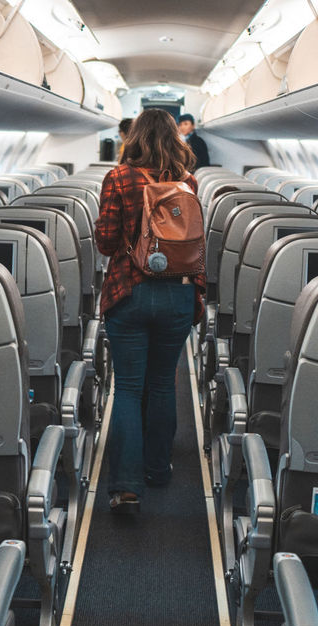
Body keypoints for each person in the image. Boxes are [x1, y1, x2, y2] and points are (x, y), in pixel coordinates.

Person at [95, 108, 204, 514]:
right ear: (175, 139)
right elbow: (195, 246)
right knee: (162, 384)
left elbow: (106, 242)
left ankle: (126, 487)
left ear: (134, 136)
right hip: (177, 293)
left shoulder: (120, 177)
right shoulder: (188, 181)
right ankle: (158, 470)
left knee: (127, 387)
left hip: (130, 290)